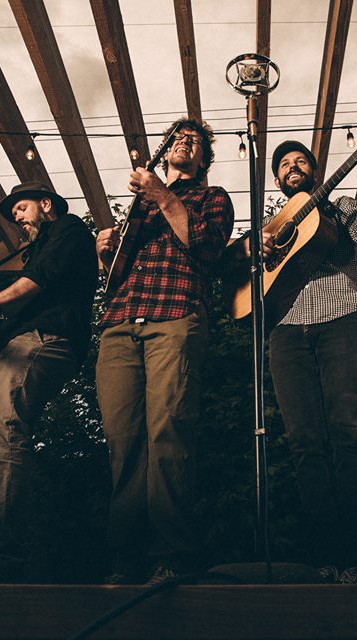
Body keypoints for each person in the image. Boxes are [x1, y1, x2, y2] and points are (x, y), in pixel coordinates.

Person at [94, 118, 234, 585]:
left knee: (168, 434)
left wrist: (163, 196)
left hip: (174, 314)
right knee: (123, 443)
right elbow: (114, 277)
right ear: (165, 149)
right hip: (121, 321)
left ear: (203, 158)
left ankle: (172, 556)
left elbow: (207, 249)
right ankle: (125, 559)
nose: (184, 143)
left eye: (194, 141)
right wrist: (105, 255)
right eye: (177, 138)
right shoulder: (137, 209)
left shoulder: (212, 197)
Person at [263, 120, 357, 583]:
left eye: (300, 161)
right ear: (277, 180)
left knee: (349, 432)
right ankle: (323, 560)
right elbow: (250, 276)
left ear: (314, 173)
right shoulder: (273, 227)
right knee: (303, 442)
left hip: (341, 316)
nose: (292, 166)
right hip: (285, 329)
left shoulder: (341, 208)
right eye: (284, 164)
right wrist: (255, 253)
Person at [0, 181, 98, 583]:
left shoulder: (68, 228)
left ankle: (3, 560)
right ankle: (5, 556)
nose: (17, 217)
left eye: (21, 208)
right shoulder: (41, 246)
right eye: (13, 213)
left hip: (45, 340)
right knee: (1, 427)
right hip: (30, 341)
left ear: (46, 204)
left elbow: (41, 278)